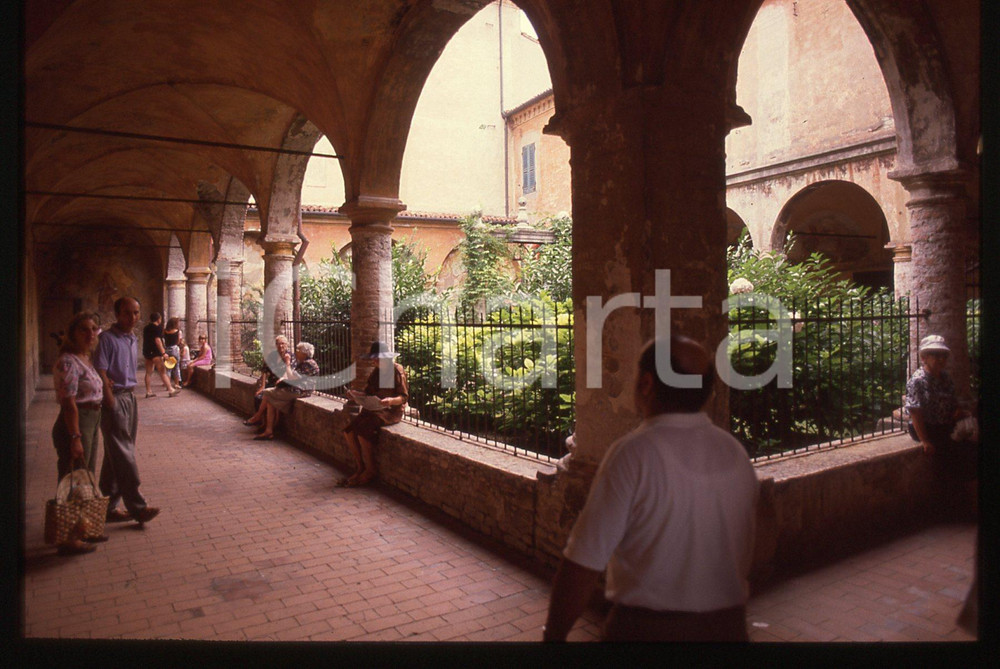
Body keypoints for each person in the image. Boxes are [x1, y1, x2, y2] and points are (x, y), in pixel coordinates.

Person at [543, 335, 759, 642]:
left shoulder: (633, 454)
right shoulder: (735, 453)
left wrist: (553, 637)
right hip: (729, 629)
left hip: (647, 632)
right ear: (707, 391)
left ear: (645, 384)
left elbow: (583, 562)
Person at [94, 297, 161, 525]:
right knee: (124, 453)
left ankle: (108, 506)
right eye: (127, 313)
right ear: (117, 314)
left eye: (136, 312)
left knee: (117, 453)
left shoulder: (132, 338)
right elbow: (101, 371)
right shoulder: (106, 339)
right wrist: (110, 399)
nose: (133, 317)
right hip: (115, 399)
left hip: (129, 398)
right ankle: (137, 507)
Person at [51, 312, 106, 555]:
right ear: (72, 333)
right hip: (76, 421)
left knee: (86, 476)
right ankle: (68, 537)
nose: (90, 334)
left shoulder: (83, 358)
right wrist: (75, 437)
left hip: (91, 419)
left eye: (94, 329)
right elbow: (69, 402)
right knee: (73, 477)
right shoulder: (68, 361)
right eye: (84, 329)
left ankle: (84, 528)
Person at [905, 334, 977, 510]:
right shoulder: (917, 381)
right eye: (935, 355)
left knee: (971, 449)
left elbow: (952, 402)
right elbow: (915, 412)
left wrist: (959, 412)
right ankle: (956, 505)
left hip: (945, 424)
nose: (941, 359)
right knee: (950, 455)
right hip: (928, 427)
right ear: (924, 358)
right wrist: (925, 440)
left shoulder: (945, 377)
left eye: (943, 355)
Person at [339, 341, 409, 488]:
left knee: (363, 433)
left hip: (390, 411)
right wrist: (356, 395)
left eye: (377, 358)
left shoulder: (396, 370)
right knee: (349, 432)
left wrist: (390, 401)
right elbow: (368, 392)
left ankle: (370, 470)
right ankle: (360, 468)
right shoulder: (376, 371)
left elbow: (403, 397)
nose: (374, 361)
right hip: (374, 408)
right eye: (373, 358)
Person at [248, 341, 320, 440]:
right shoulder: (304, 362)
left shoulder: (308, 364)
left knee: (267, 392)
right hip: (296, 388)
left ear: (304, 352)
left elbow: (292, 376)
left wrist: (287, 363)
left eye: (298, 350)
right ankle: (269, 431)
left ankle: (258, 416)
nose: (296, 352)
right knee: (270, 401)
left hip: (301, 391)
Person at [141, 312, 179, 398]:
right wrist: (163, 353)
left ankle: (148, 391)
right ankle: (170, 389)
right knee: (163, 372)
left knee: (148, 372)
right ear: (158, 319)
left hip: (147, 351)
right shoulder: (157, 328)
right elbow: (157, 341)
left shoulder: (146, 328)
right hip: (155, 352)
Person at [252, 335, 291, 415]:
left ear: (287, 344)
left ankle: (265, 420)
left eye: (283, 343)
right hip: (271, 383)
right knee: (258, 397)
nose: (280, 346)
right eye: (278, 344)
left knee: (270, 399)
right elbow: (264, 370)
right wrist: (262, 386)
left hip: (282, 385)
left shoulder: (290, 356)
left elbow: (290, 373)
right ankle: (263, 422)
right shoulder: (272, 355)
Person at [163, 317, 183, 387]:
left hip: (167, 349)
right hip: (175, 349)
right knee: (176, 367)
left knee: (168, 368)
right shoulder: (178, 331)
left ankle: (168, 385)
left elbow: (163, 340)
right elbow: (178, 341)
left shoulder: (165, 331)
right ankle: (176, 384)